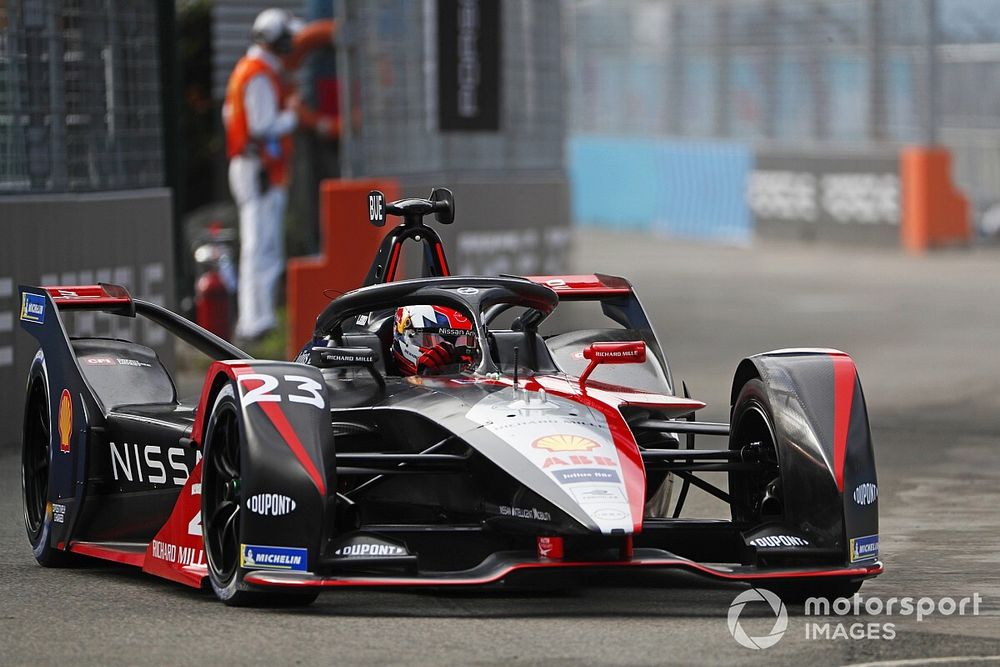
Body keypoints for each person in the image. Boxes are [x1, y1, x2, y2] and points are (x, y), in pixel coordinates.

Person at [223, 8, 311, 343]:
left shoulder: (253, 69)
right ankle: (254, 321)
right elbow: (262, 126)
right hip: (257, 167)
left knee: (263, 245)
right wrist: (292, 115)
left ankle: (260, 318)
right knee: (260, 246)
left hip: (255, 166)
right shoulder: (258, 74)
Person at [391, 305, 478, 376]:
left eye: (463, 341)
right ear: (406, 336)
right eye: (431, 341)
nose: (449, 353)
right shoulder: (383, 384)